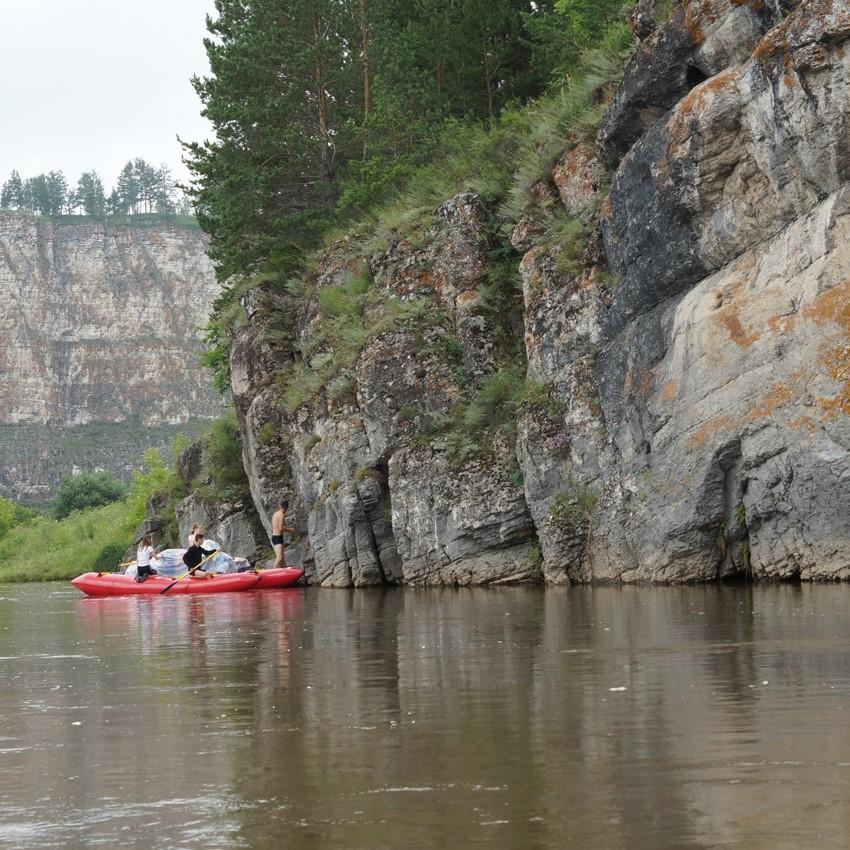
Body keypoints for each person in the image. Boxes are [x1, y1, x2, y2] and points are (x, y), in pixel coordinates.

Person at [271, 499, 294, 568]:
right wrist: (290, 529)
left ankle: (283, 570)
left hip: (276, 537)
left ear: (280, 506)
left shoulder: (275, 514)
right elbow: (280, 528)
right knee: (279, 557)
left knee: (282, 558)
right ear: (286, 508)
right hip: (277, 537)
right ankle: (273, 572)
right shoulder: (281, 515)